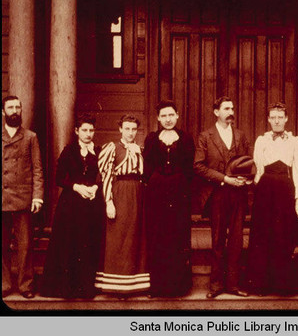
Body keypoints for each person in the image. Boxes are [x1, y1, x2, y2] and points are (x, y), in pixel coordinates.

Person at [40, 113, 104, 298]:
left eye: (91, 130)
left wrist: (95, 187)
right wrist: (76, 187)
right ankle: (67, 288)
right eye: (84, 130)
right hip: (71, 206)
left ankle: (85, 288)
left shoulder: (99, 151)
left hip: (91, 205)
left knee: (88, 244)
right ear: (77, 131)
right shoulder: (69, 151)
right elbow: (59, 178)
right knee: (70, 244)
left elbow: (105, 175)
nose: (88, 134)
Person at [246, 102, 298, 296]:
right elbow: (258, 168)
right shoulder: (262, 140)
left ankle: (283, 285)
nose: (277, 120)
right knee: (263, 235)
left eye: (280, 117)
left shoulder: (294, 141)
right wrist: (258, 189)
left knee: (283, 234)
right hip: (265, 190)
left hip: (285, 189)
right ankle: (260, 284)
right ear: (269, 119)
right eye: (273, 117)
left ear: (286, 119)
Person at [193, 96, 251, 299]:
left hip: (238, 194)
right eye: (226, 108)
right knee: (217, 240)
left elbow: (247, 163)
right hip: (217, 193)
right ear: (216, 112)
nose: (230, 111)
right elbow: (198, 166)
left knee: (236, 240)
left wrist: (245, 180)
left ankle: (233, 285)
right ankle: (216, 285)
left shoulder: (241, 135)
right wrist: (225, 178)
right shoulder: (205, 136)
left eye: (232, 107)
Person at [143, 101, 194, 297]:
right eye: (164, 116)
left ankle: (178, 287)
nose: (168, 119)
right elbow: (147, 166)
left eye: (171, 115)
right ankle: (158, 286)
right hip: (157, 193)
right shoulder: (152, 138)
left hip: (179, 193)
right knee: (158, 236)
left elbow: (190, 168)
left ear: (177, 115)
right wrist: (156, 182)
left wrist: (180, 186)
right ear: (158, 118)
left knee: (178, 236)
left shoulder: (185, 138)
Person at [95, 115, 150, 296]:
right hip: (120, 193)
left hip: (138, 194)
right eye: (127, 128)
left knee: (136, 236)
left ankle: (134, 284)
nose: (130, 132)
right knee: (119, 237)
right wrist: (109, 202)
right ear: (120, 129)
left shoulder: (140, 149)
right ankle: (115, 284)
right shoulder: (112, 148)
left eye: (133, 129)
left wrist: (138, 154)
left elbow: (145, 174)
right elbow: (107, 176)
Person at [2, 95, 44, 299]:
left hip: (23, 198)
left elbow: (37, 169)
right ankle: (4, 283)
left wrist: (37, 197)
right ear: (3, 112)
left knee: (25, 245)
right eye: (10, 107)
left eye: (18, 107)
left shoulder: (30, 137)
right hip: (1, 197)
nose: (15, 111)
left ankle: (26, 285)